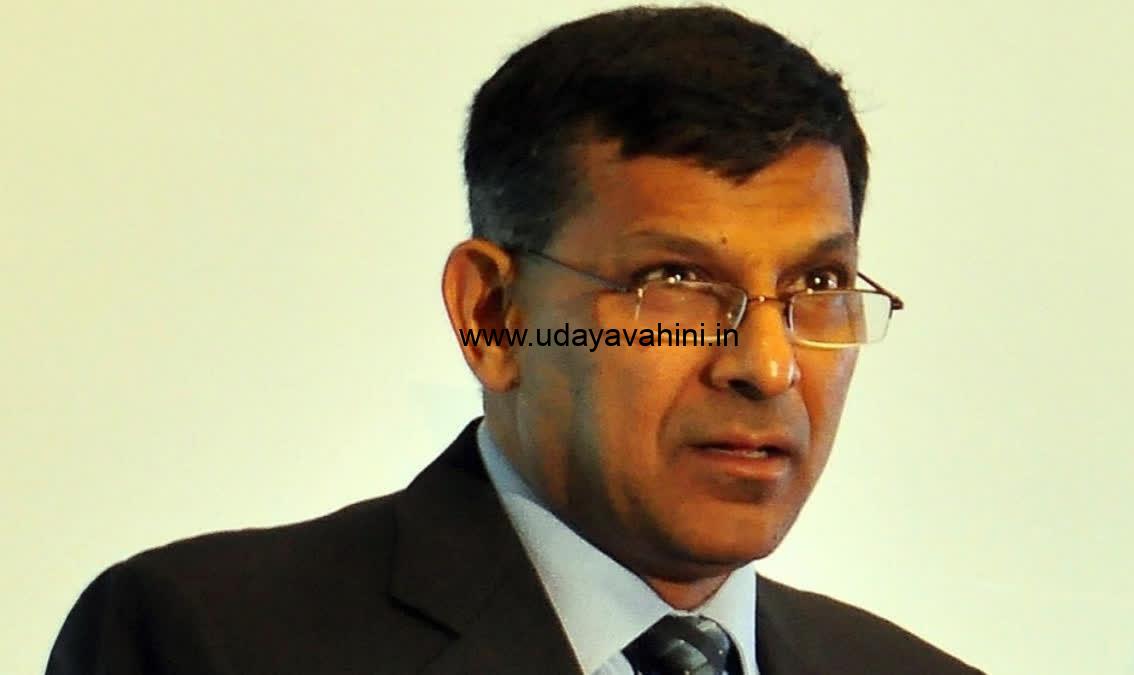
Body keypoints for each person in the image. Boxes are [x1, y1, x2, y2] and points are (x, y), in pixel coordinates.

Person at [47, 6, 983, 674]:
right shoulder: (209, 640)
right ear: (493, 315)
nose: (767, 364)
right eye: (677, 282)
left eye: (817, 286)